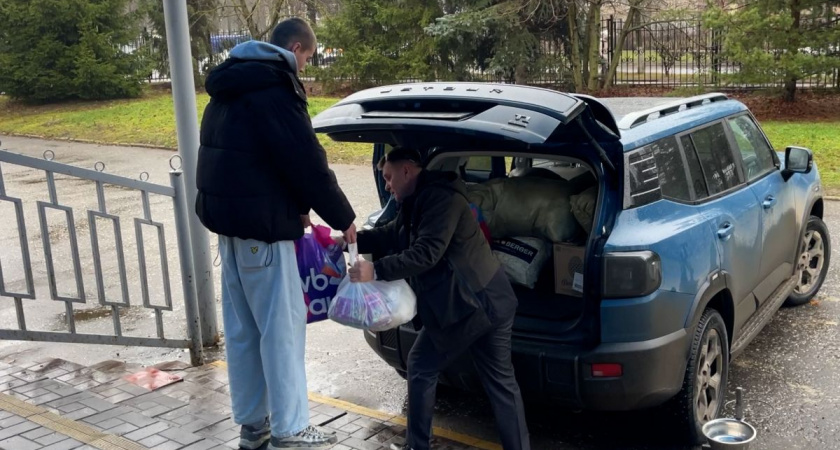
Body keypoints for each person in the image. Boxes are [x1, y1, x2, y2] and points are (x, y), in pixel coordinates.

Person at [195, 17, 356, 450]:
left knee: (245, 332)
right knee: (282, 332)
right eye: (307, 57)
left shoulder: (230, 88)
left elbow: (248, 162)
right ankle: (290, 428)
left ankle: (254, 425)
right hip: (264, 237)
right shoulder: (275, 90)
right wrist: (344, 218)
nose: (305, 67)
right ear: (298, 48)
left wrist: (294, 207)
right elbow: (305, 162)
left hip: (231, 234)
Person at [345, 147, 531, 450]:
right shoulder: (418, 199)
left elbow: (426, 253)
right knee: (500, 384)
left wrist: (375, 269)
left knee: (423, 365)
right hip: (482, 302)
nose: (388, 186)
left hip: (476, 306)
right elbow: (395, 233)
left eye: (390, 178)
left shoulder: (443, 200)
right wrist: (350, 240)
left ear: (407, 170)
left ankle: (417, 446)